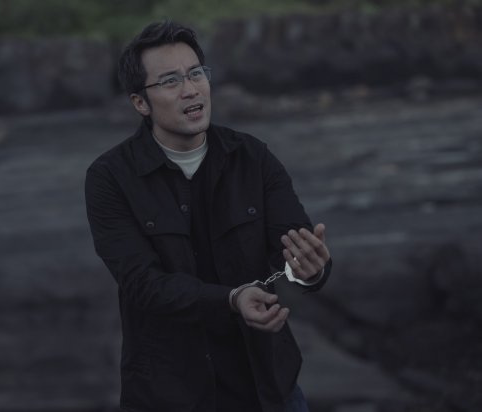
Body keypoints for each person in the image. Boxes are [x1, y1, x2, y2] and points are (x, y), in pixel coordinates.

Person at [85, 21, 332, 412]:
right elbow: (142, 283)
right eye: (170, 81)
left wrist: (310, 270)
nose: (191, 89)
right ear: (140, 103)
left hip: (267, 389)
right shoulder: (110, 177)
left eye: (196, 74)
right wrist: (231, 299)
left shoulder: (252, 157)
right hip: (169, 394)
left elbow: (290, 249)